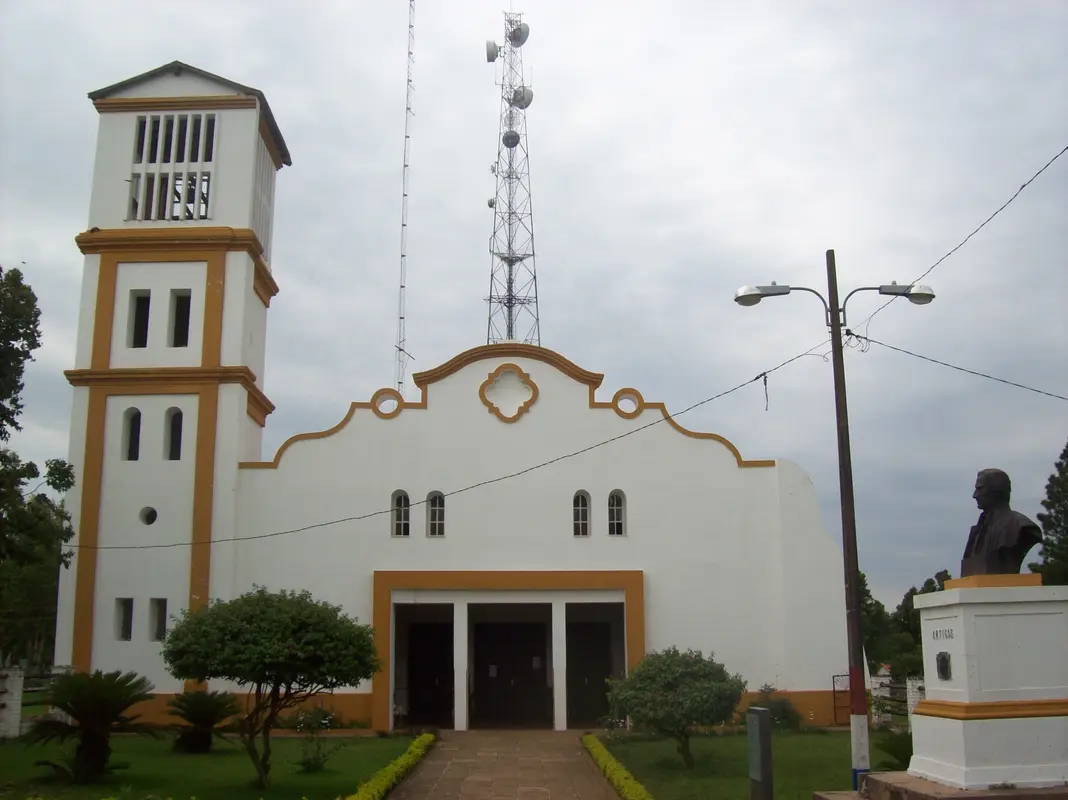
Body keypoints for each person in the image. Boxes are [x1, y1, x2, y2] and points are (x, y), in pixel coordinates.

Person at [960, 468, 1042, 577]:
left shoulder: (1021, 526)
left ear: (997, 491)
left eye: (980, 489)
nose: (975, 495)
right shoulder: (976, 531)